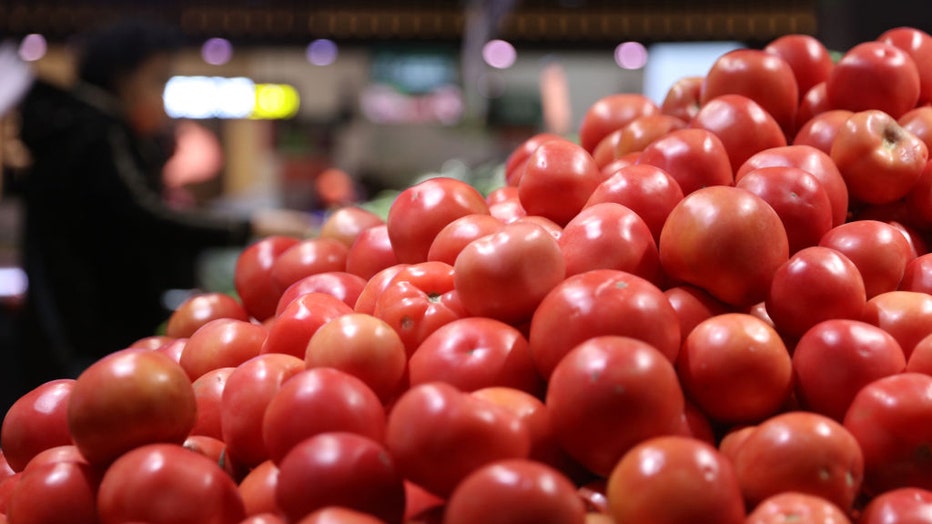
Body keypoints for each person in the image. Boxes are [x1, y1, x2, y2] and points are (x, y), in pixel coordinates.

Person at [15, 19, 312, 388]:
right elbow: (140, 217)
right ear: (122, 78)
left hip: (71, 325)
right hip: (92, 329)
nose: (162, 96)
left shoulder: (71, 126)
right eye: (158, 80)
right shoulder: (94, 131)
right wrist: (251, 225)